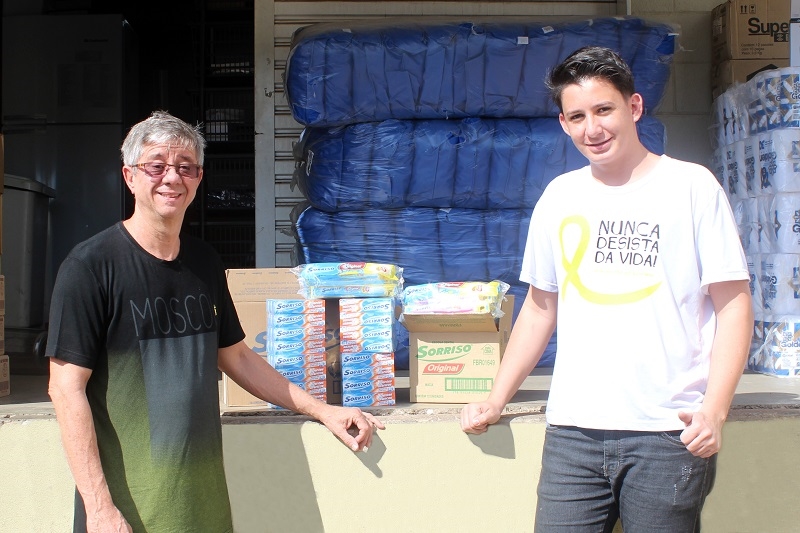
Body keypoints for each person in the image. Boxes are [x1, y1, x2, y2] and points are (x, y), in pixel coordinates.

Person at [46, 110, 385, 533]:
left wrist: (324, 411)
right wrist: (98, 507)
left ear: (198, 181)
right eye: (156, 165)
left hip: (201, 504)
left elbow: (238, 358)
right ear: (130, 176)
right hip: (126, 512)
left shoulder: (204, 262)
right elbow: (65, 388)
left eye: (185, 167)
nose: (172, 177)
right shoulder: (90, 267)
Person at [461, 46, 753, 532]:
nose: (591, 129)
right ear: (563, 124)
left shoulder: (692, 188)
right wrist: (496, 397)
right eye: (577, 116)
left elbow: (734, 305)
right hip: (573, 431)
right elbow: (539, 309)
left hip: (668, 432)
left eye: (603, 110)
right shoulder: (560, 197)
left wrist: (715, 410)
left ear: (633, 107)